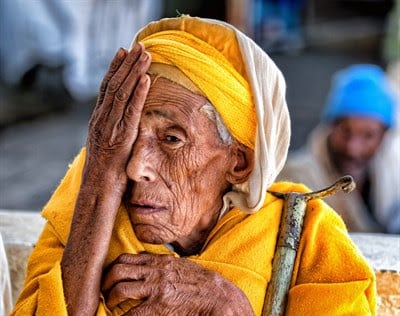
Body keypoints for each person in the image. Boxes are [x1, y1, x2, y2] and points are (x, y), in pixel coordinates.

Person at [11, 16, 376, 315]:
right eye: (129, 136)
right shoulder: (86, 206)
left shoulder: (305, 235)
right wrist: (99, 179)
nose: (137, 167)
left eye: (172, 139)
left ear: (240, 163)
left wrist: (231, 307)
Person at [278, 64, 398, 233]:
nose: (353, 148)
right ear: (331, 126)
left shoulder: (393, 174)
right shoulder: (295, 178)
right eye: (345, 131)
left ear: (385, 135)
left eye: (368, 135)